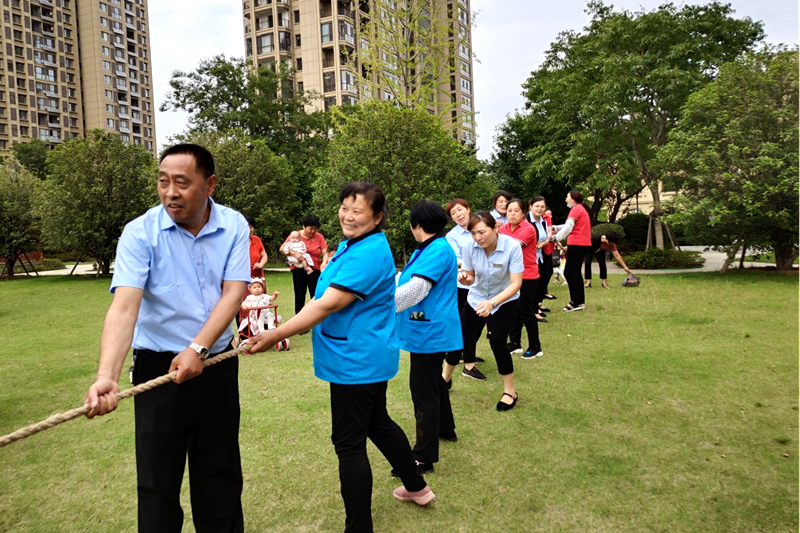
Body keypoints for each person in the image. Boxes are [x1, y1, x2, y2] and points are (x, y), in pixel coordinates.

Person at [245, 182, 435, 533]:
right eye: (344, 207)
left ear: (377, 218)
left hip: (357, 360)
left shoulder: (368, 252)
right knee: (377, 421)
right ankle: (416, 486)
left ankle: (359, 527)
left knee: (349, 444)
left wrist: (275, 333)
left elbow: (327, 304)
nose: (348, 216)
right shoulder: (355, 243)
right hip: (362, 355)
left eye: (357, 210)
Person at [84, 143, 250, 533]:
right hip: (157, 369)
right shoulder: (139, 232)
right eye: (163, 182)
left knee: (220, 475)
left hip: (215, 365)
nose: (170, 193)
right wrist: (107, 375)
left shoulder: (233, 225)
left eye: (182, 183)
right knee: (157, 481)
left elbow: (233, 293)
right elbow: (125, 308)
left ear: (210, 184)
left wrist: (198, 348)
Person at [395, 200, 460, 473]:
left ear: (417, 224)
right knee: (434, 382)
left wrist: (379, 307)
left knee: (423, 392)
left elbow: (417, 289)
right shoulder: (428, 248)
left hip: (430, 330)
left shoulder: (437, 249)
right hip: (427, 327)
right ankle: (446, 429)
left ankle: (423, 456)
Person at [443, 212, 524, 411]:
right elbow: (471, 275)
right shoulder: (469, 247)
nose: (477, 237)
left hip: (504, 300)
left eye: (481, 232)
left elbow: (515, 284)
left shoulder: (512, 247)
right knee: (460, 338)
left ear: (495, 228)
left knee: (497, 342)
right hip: (477, 299)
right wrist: (466, 279)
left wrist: (493, 303)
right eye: (473, 233)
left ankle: (510, 392)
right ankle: (445, 379)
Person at [501, 199, 543, 360]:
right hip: (510, 276)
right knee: (513, 310)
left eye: (516, 210)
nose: (512, 214)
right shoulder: (504, 228)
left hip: (527, 275)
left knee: (526, 311)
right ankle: (515, 343)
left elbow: (512, 247)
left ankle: (535, 346)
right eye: (509, 210)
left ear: (523, 212)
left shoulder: (528, 228)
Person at [444, 199, 484, 364]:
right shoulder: (451, 236)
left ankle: (468, 353)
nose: (458, 215)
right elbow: (456, 258)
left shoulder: (481, 226)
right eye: (453, 213)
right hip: (463, 285)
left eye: (460, 210)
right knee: (465, 324)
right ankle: (464, 357)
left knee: (479, 322)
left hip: (484, 283)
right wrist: (476, 265)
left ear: (468, 209)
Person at [550, 190, 592, 312]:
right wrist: (555, 228)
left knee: (569, 272)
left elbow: (568, 227)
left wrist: (556, 238)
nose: (566, 199)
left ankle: (575, 302)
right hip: (582, 244)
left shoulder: (576, 209)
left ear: (573, 199)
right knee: (576, 272)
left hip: (577, 244)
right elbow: (568, 225)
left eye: (567, 197)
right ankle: (580, 301)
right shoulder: (580, 209)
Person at [282, 214, 327, 315]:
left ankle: (317, 318)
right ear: (303, 226)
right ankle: (299, 319)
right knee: (300, 295)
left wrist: (324, 263)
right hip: (298, 268)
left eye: (315, 229)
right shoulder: (295, 235)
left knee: (316, 295)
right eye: (310, 229)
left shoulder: (319, 237)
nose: (313, 231)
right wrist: (294, 254)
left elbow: (325, 253)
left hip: (315, 269)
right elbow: (282, 249)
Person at [528, 196, 555, 317]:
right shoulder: (526, 220)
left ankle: (536, 307)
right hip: (528, 257)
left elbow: (546, 237)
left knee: (540, 282)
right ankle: (533, 311)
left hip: (539, 256)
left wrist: (543, 243)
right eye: (537, 206)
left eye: (542, 207)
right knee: (531, 285)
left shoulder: (543, 220)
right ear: (531, 206)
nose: (539, 209)